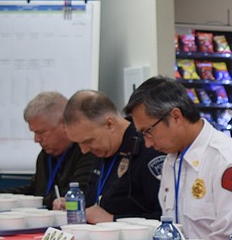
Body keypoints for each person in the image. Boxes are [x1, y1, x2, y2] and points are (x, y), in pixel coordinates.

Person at [125, 77, 232, 240]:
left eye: (148, 131)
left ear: (176, 116)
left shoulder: (229, 162)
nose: (147, 143)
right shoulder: (171, 160)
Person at [0, 91, 98, 208]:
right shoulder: (45, 155)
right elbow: (34, 190)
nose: (36, 139)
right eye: (34, 133)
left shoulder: (87, 151)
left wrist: (38, 200)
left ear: (64, 124)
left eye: (41, 132)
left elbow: (76, 195)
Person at [61, 90, 164, 222]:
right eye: (79, 143)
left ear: (110, 124)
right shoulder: (102, 149)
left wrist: (113, 219)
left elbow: (164, 217)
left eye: (88, 141)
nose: (84, 150)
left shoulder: (148, 149)